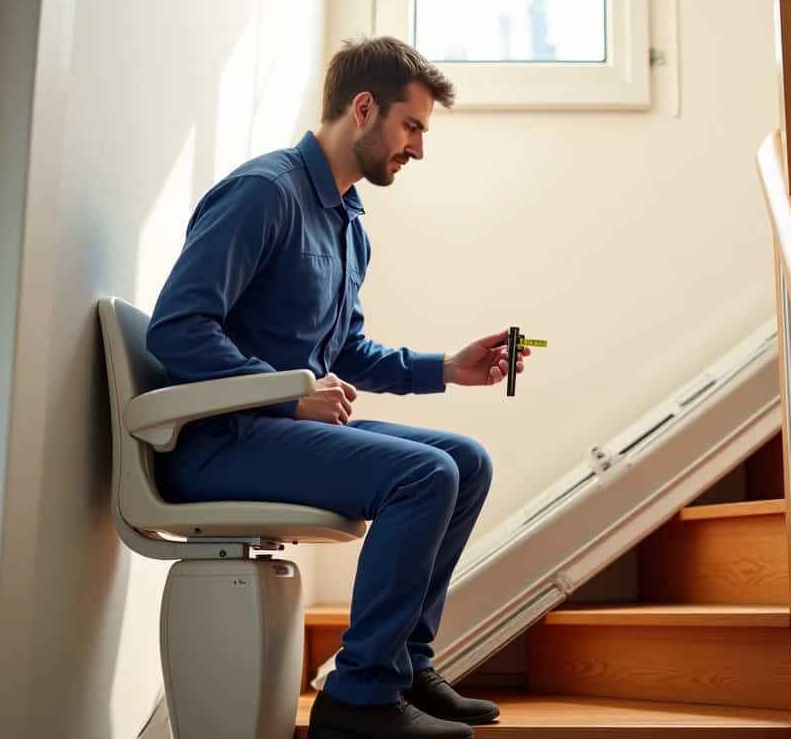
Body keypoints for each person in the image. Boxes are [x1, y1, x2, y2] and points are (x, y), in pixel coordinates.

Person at [145, 36, 529, 739]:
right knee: (422, 475)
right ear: (363, 108)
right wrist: (285, 394)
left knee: (466, 462)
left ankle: (406, 665)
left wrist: (447, 367)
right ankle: (358, 701)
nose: (418, 149)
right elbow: (177, 328)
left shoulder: (350, 223)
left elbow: (347, 351)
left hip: (281, 435)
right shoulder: (265, 193)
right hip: (217, 443)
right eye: (412, 126)